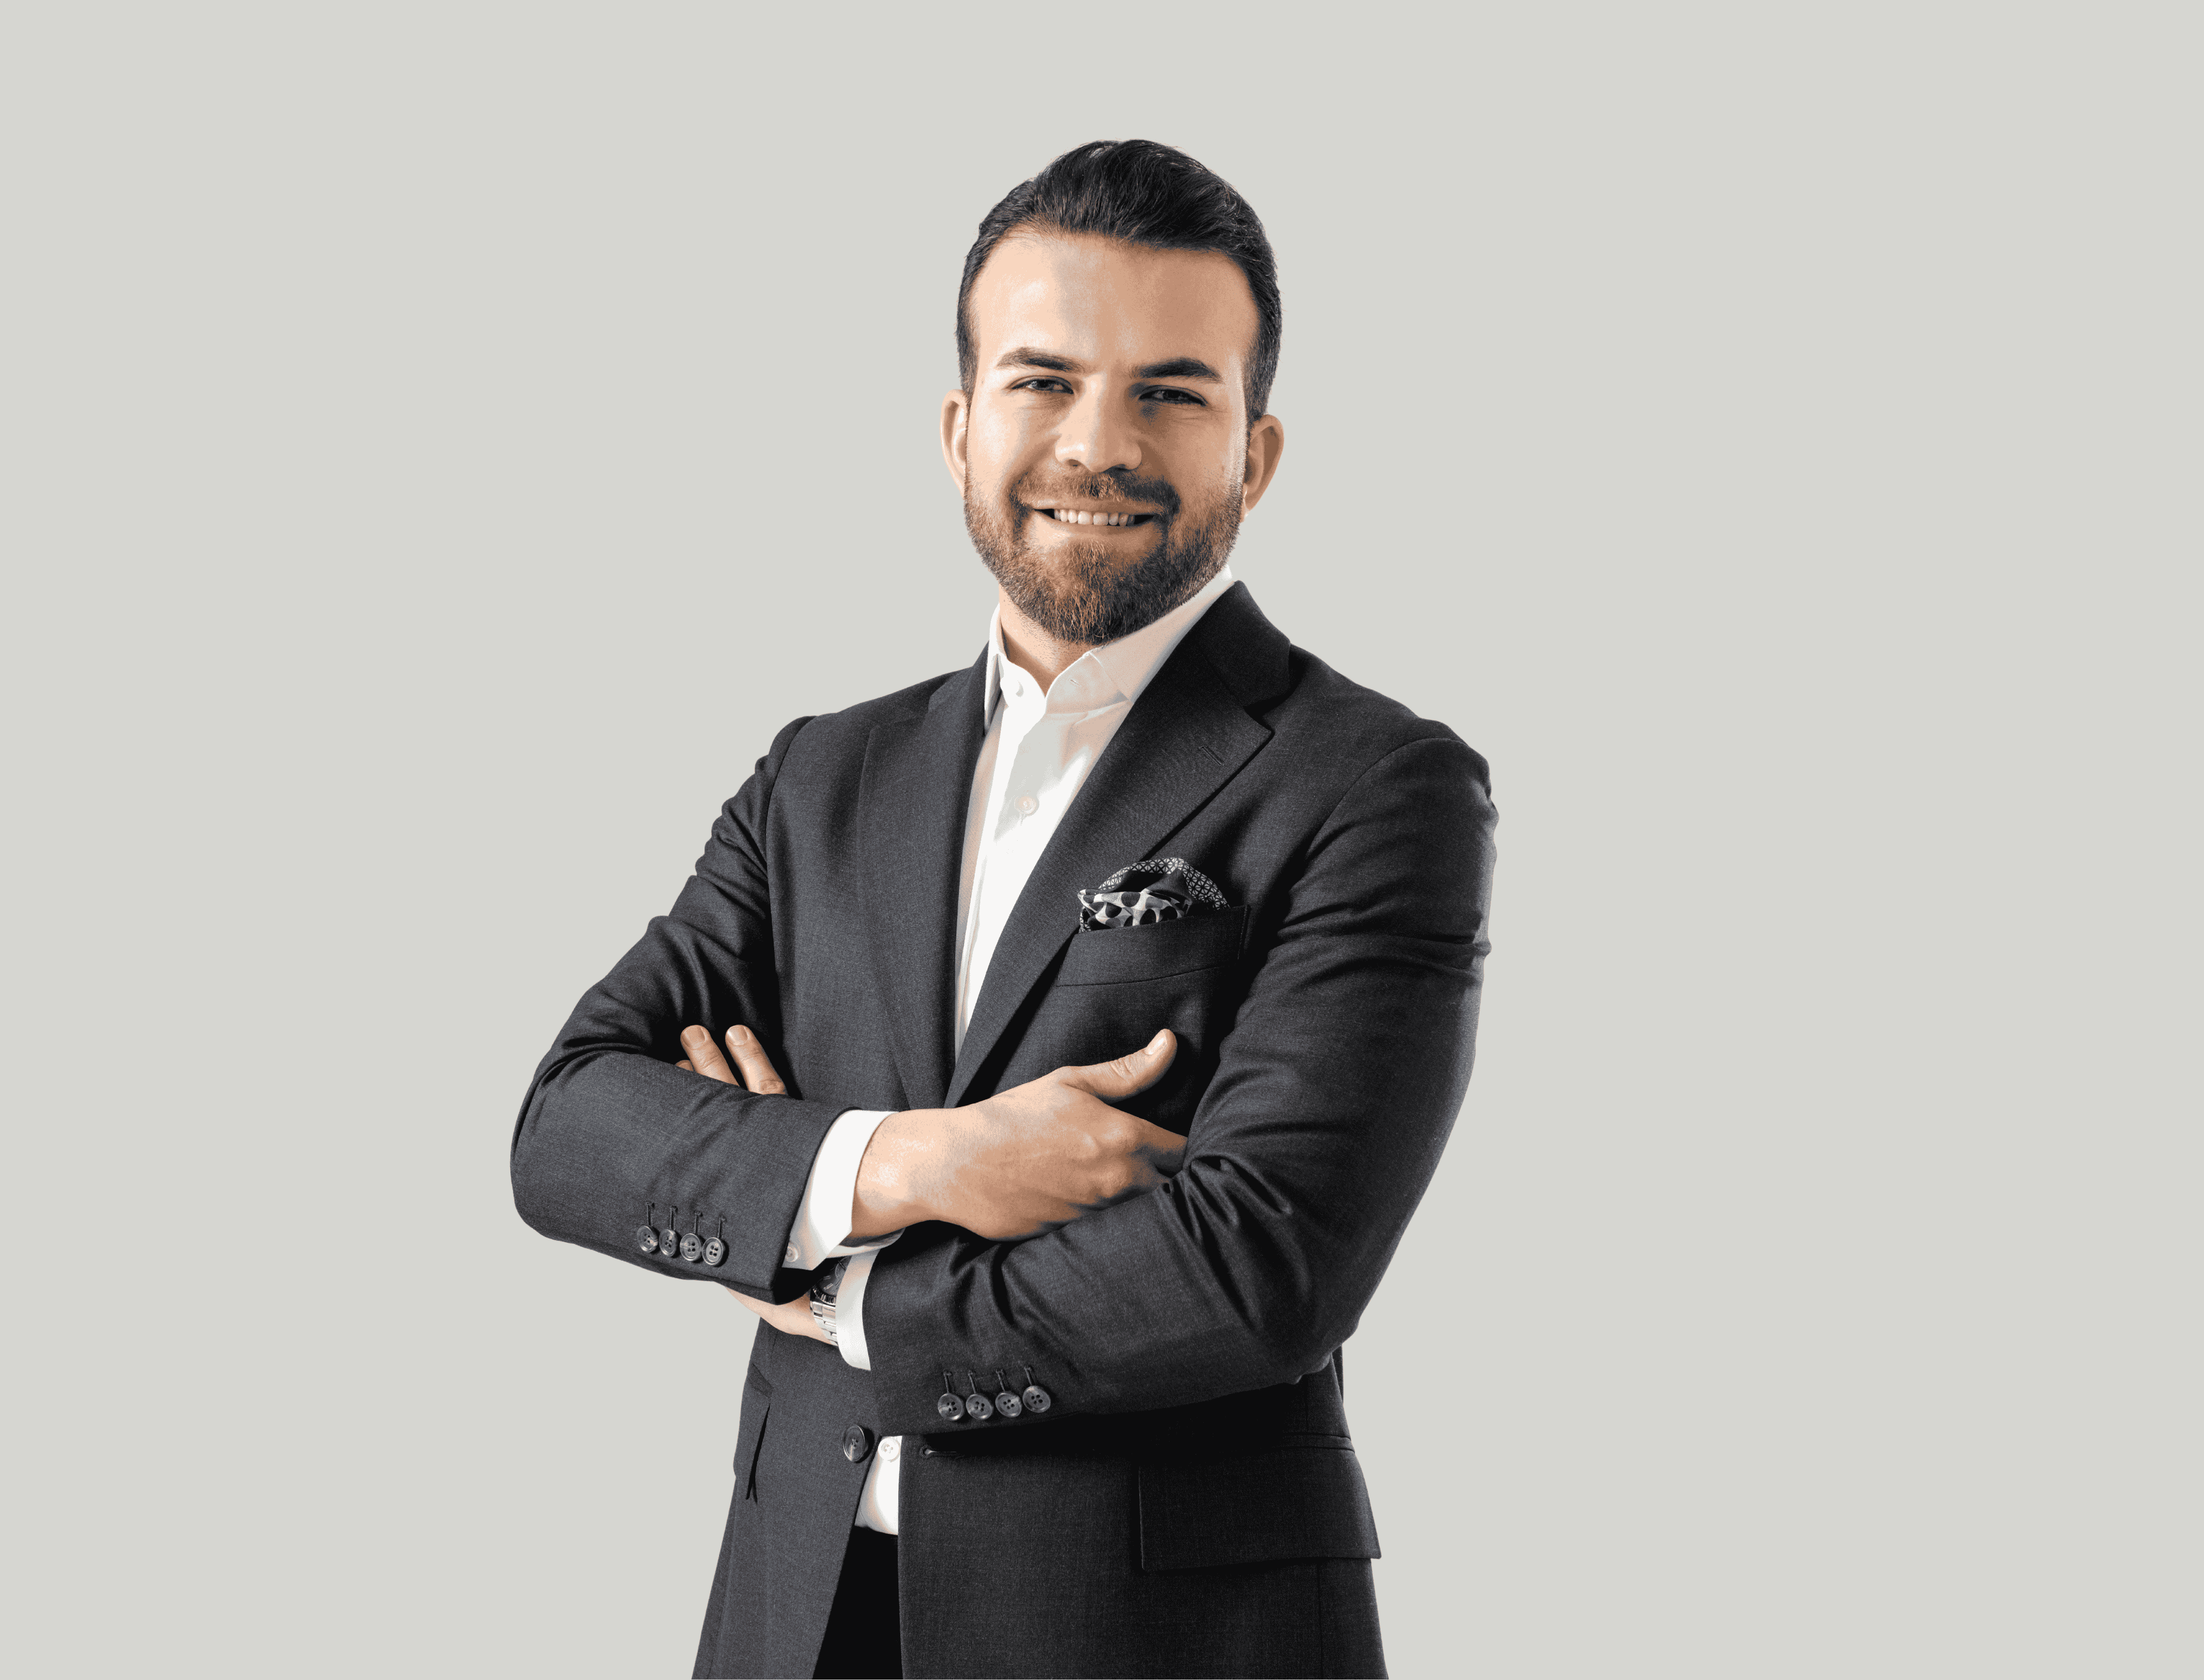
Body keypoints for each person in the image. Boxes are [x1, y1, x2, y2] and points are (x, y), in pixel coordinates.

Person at [511, 138, 1494, 1679]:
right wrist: (914, 1161)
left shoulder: (1375, 783)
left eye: (1171, 392)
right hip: (796, 1615)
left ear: (1257, 453)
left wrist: (839, 1280)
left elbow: (1260, 1264)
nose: (1098, 444)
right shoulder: (821, 777)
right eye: (1044, 381)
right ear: (961, 428)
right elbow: (571, 1124)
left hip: (1161, 1640)